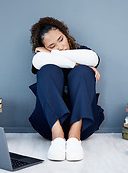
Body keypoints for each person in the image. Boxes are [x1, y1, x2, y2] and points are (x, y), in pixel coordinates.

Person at [29, 17, 104, 161]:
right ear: (43, 47)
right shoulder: (42, 57)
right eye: (52, 46)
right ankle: (57, 138)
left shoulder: (82, 52)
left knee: (83, 71)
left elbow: (93, 59)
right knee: (48, 70)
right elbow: (37, 61)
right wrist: (75, 64)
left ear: (65, 34)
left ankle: (74, 138)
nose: (61, 46)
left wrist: (53, 53)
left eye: (61, 39)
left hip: (84, 124)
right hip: (48, 125)